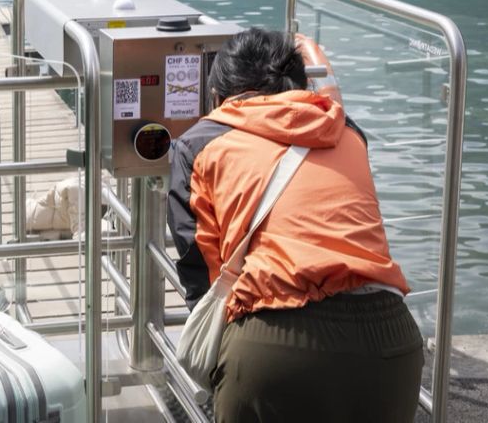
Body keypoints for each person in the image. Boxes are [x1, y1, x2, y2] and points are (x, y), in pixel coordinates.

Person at [167, 27, 423, 423]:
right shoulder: (347, 131)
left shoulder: (200, 143)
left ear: (217, 98)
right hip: (391, 342)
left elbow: (200, 266)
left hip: (273, 345)